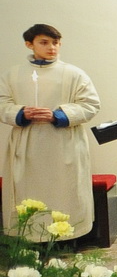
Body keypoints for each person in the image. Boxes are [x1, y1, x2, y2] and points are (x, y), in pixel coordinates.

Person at [0, 23, 100, 243]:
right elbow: (2, 103)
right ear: (29, 44)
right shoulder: (13, 75)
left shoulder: (74, 74)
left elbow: (91, 104)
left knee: (65, 193)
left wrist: (58, 115)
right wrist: (21, 113)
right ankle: (29, 242)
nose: (52, 47)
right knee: (28, 193)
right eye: (44, 42)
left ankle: (68, 240)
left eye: (55, 43)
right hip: (27, 145)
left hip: (63, 144)